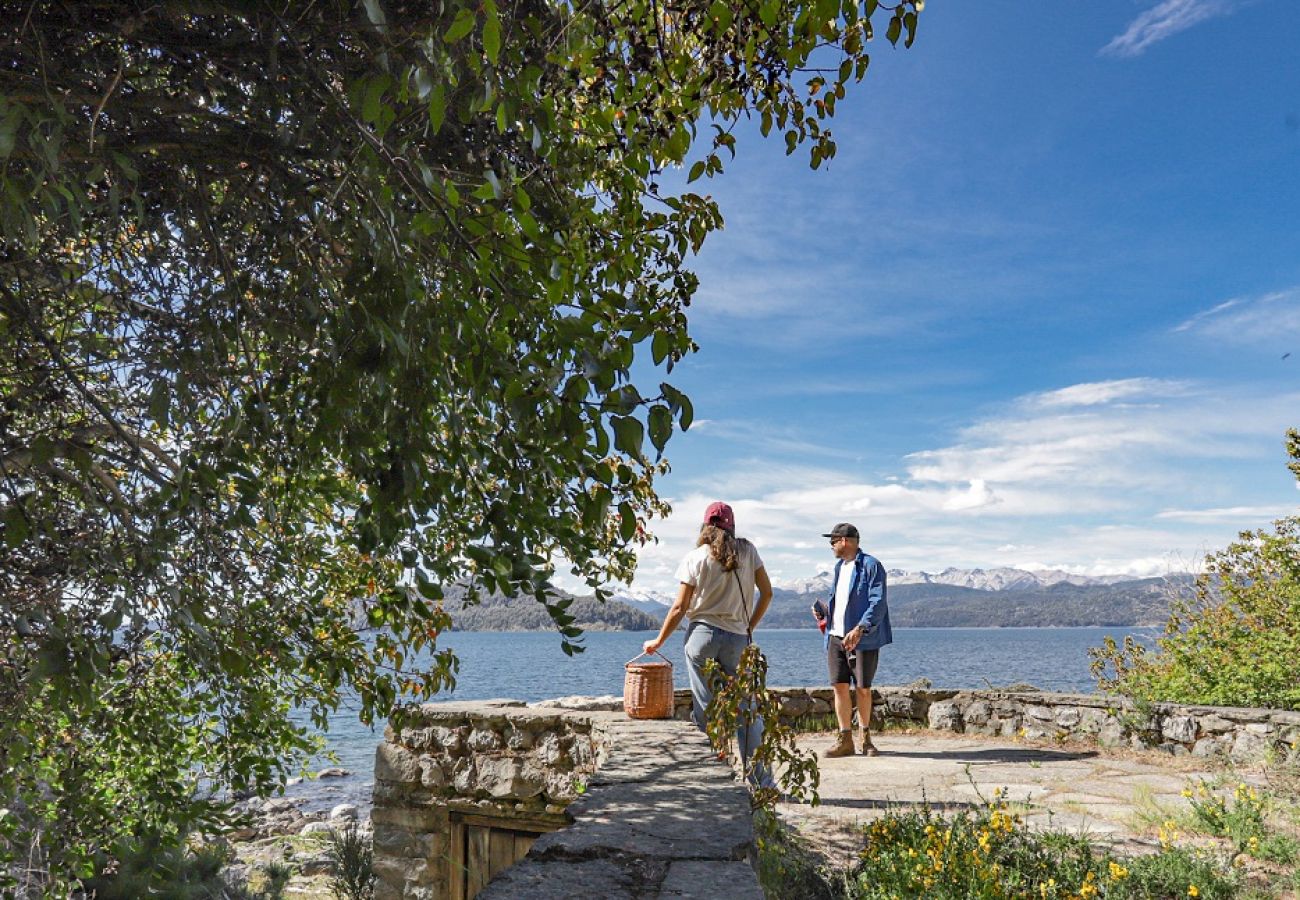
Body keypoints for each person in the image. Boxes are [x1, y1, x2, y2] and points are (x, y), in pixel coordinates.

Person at [643, 501, 774, 786]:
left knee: (707, 710)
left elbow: (679, 607)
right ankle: (762, 782)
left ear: (705, 527)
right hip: (739, 639)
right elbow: (767, 593)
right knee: (746, 710)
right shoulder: (749, 552)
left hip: (702, 637)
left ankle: (712, 779)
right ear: (732, 526)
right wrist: (749, 626)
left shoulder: (695, 557)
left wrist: (658, 640)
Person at [815, 522, 891, 758]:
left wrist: (861, 628)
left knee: (863, 689)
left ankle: (865, 739)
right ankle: (845, 739)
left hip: (862, 639)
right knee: (839, 687)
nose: (831, 546)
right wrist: (824, 613)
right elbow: (844, 604)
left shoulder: (871, 565)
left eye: (833, 542)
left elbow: (878, 602)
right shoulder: (840, 567)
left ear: (845, 541)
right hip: (836, 636)